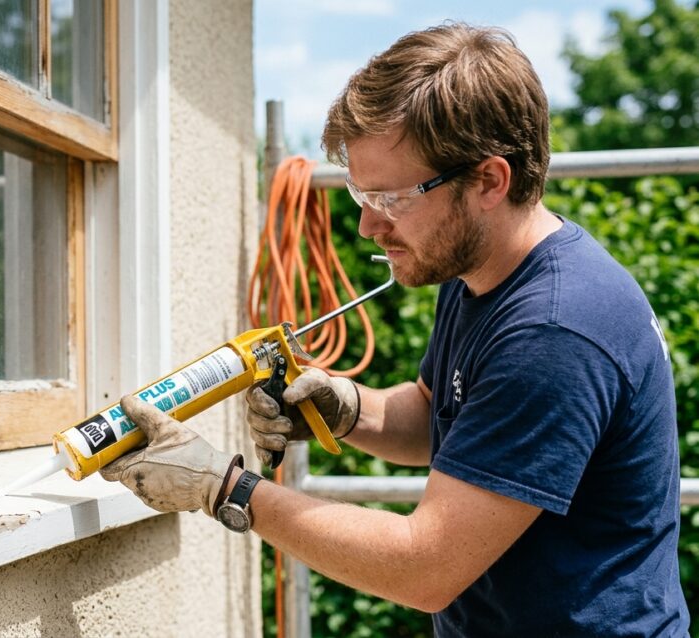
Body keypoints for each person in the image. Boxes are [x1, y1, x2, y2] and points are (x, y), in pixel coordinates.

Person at [100, 22, 690, 636]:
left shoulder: (556, 331)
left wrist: (224, 486)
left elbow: (424, 567)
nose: (366, 226)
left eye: (392, 198)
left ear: (489, 180)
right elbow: (441, 416)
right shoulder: (477, 272)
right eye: (361, 191)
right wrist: (347, 408)